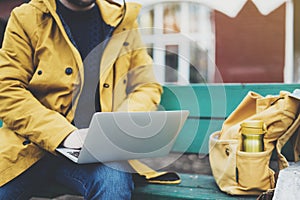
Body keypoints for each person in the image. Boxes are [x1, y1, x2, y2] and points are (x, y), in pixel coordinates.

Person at [0, 0, 163, 199]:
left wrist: (117, 123)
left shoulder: (123, 20)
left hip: (98, 154)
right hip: (29, 148)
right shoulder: (27, 17)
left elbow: (146, 85)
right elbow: (8, 90)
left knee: (114, 181)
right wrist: (65, 135)